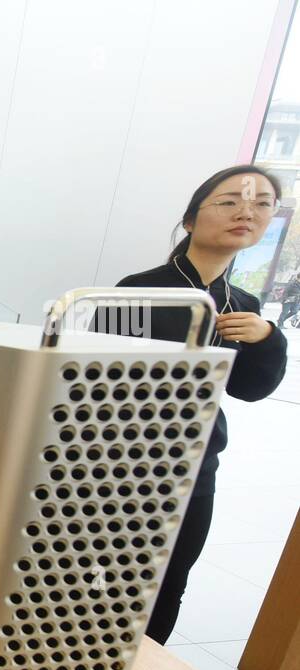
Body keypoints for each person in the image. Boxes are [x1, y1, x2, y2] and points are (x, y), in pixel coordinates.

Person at [98, 165, 289, 644]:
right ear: (189, 221)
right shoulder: (141, 289)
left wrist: (267, 339)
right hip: (122, 472)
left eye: (262, 203)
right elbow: (100, 385)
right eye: (229, 201)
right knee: (96, 584)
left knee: (167, 589)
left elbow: (249, 389)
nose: (247, 211)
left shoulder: (242, 304)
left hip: (195, 471)